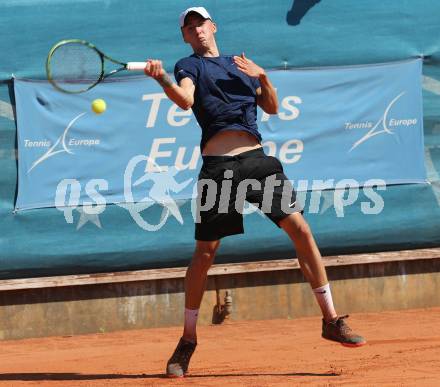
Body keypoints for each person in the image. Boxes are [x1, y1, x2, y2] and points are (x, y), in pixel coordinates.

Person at [143, 6, 366, 378]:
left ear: (214, 27)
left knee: (301, 230)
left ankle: (330, 319)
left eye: (201, 24)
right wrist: (162, 77)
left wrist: (263, 75)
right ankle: (188, 340)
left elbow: (272, 106)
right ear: (185, 36)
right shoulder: (189, 66)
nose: (197, 30)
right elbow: (184, 100)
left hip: (258, 162)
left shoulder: (241, 64)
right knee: (205, 254)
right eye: (190, 27)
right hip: (219, 168)